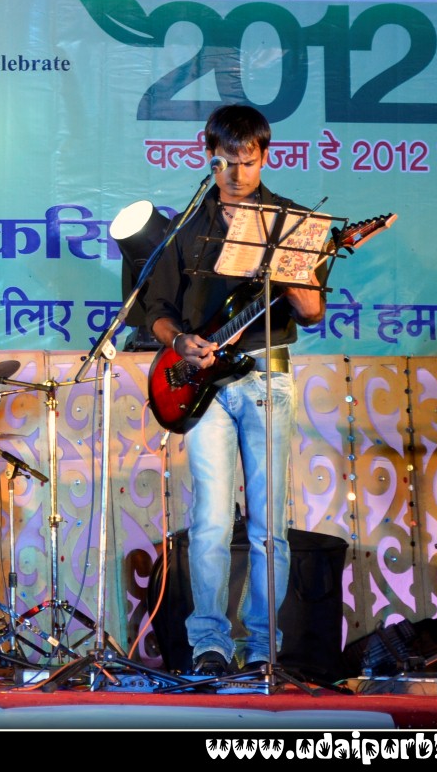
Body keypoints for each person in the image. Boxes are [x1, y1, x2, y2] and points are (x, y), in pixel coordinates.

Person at [142, 103, 325, 677]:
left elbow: (312, 311)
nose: (237, 174)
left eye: (248, 162)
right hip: (203, 387)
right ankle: (209, 645)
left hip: (266, 376)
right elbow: (155, 310)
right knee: (211, 521)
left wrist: (292, 273)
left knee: (269, 525)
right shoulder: (185, 226)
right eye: (226, 161)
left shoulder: (291, 221)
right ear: (208, 154)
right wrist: (180, 343)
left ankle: (264, 647)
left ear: (265, 156)